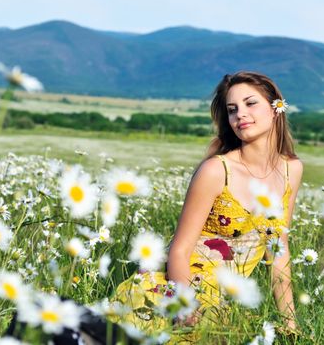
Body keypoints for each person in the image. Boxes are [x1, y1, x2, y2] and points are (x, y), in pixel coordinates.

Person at [113, 71, 303, 337]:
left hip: (225, 302)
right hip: (178, 291)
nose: (241, 115)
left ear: (275, 109)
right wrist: (186, 308)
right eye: (232, 109)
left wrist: (290, 324)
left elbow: (279, 250)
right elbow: (179, 251)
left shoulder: (290, 170)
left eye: (251, 104)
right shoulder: (216, 170)